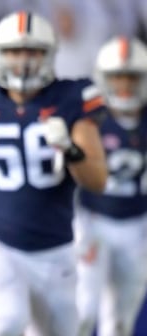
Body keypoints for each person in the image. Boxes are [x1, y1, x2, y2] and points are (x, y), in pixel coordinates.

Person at [0, 11, 108, 336]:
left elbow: (97, 179)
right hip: (1, 246)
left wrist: (69, 148)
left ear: (49, 55)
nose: (22, 61)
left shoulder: (70, 99)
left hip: (57, 252)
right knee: (6, 324)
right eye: (14, 51)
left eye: (32, 51)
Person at [75, 36, 147, 336]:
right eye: (117, 77)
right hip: (95, 221)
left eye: (131, 77)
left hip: (138, 227)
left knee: (119, 322)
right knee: (83, 310)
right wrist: (79, 229)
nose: (124, 85)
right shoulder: (90, 121)